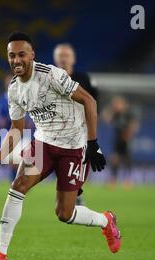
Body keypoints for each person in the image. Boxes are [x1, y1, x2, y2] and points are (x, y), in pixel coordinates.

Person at [0, 32, 121, 260]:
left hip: (73, 147)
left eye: (21, 54)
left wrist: (93, 143)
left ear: (32, 55)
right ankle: (1, 253)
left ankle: (106, 221)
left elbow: (90, 101)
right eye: (11, 56)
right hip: (43, 143)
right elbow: (16, 129)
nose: (16, 60)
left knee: (65, 214)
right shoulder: (14, 89)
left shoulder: (51, 75)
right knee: (18, 186)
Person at [53, 43, 98, 204]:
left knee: (81, 162)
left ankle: (76, 192)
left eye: (66, 55)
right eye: (60, 55)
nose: (63, 59)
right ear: (55, 59)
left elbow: (93, 103)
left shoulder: (84, 79)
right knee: (60, 163)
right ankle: (71, 193)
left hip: (80, 130)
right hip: (56, 131)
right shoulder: (50, 77)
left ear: (73, 59)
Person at [0, 74, 34, 180]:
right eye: (9, 83)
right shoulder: (2, 100)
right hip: (8, 135)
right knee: (13, 161)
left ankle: (18, 182)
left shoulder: (24, 99)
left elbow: (32, 115)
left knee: (21, 161)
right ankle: (16, 182)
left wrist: (29, 122)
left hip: (24, 136)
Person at [101, 95, 140, 187]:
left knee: (127, 160)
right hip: (117, 139)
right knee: (115, 160)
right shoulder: (116, 114)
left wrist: (130, 134)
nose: (116, 105)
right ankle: (113, 180)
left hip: (126, 139)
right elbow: (105, 118)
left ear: (123, 104)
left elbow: (135, 125)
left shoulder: (129, 113)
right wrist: (110, 108)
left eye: (118, 103)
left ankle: (128, 180)